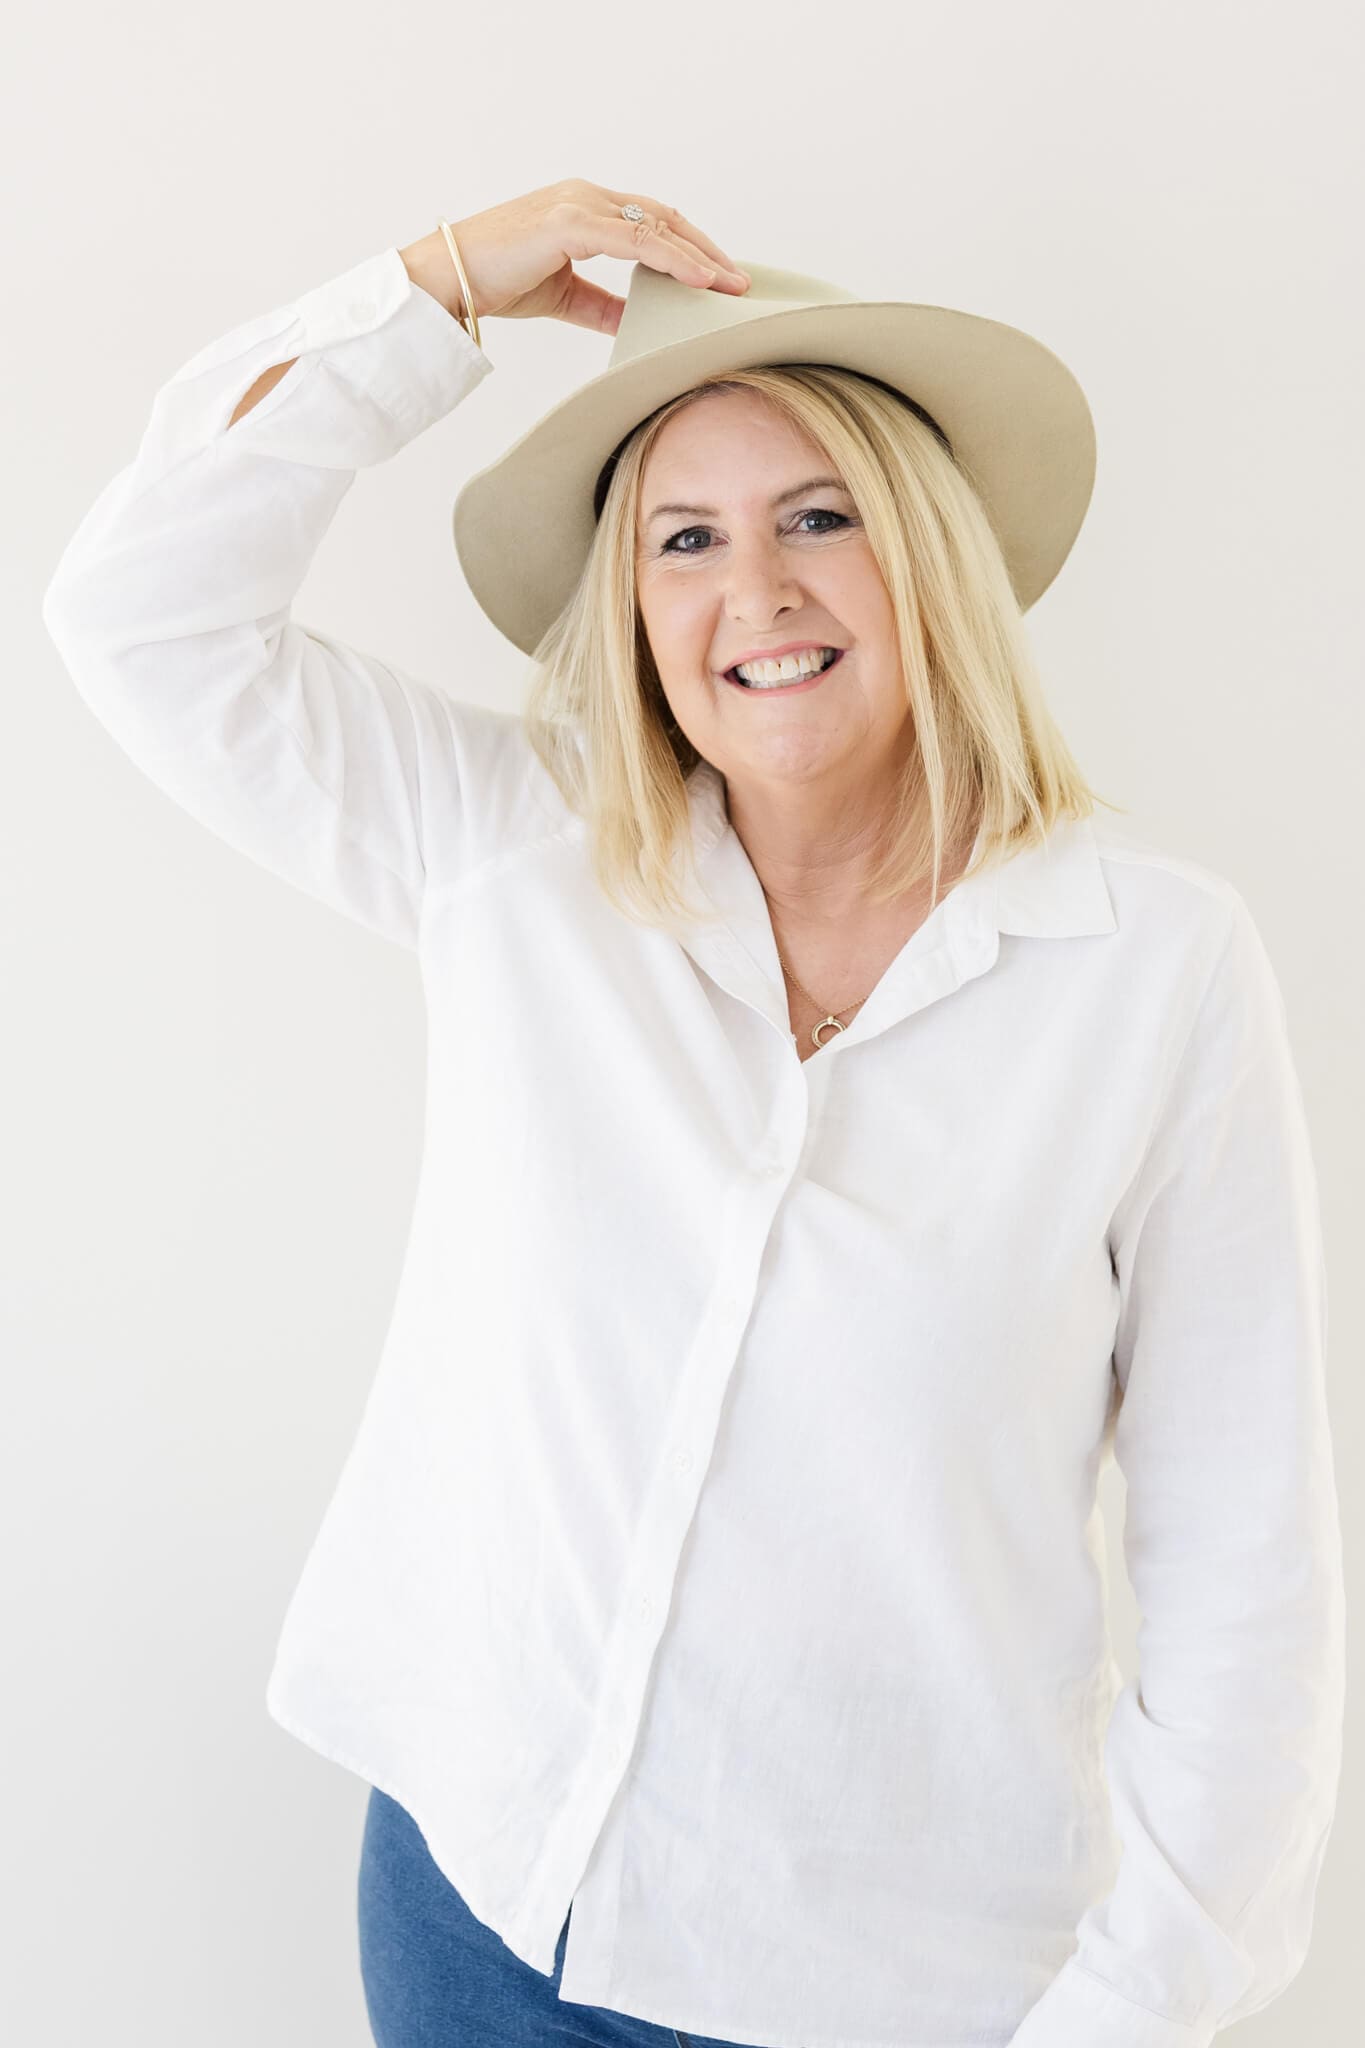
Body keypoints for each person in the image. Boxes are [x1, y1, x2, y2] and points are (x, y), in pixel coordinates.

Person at [41, 178, 1345, 2048]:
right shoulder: (514, 859)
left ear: (924, 555)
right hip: (476, 1900)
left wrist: (1128, 2018)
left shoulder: (1152, 969)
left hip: (896, 1989)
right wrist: (431, 298)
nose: (759, 595)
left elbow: (1246, 1590)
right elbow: (139, 618)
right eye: (684, 541)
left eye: (820, 518)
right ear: (627, 605)